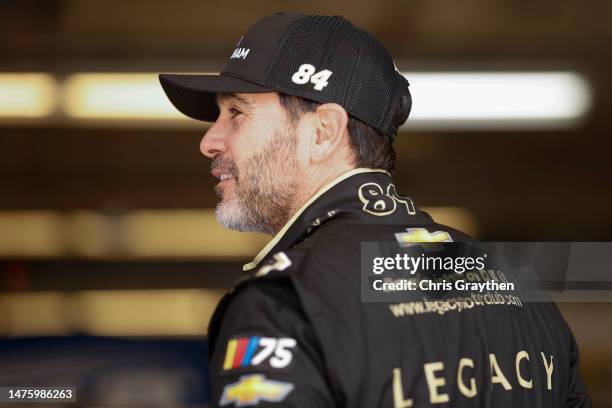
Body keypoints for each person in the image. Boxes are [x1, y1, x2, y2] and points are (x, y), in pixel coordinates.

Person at [159, 12, 590, 408]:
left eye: (236, 113)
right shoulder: (514, 282)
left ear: (323, 132)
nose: (209, 141)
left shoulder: (284, 304)